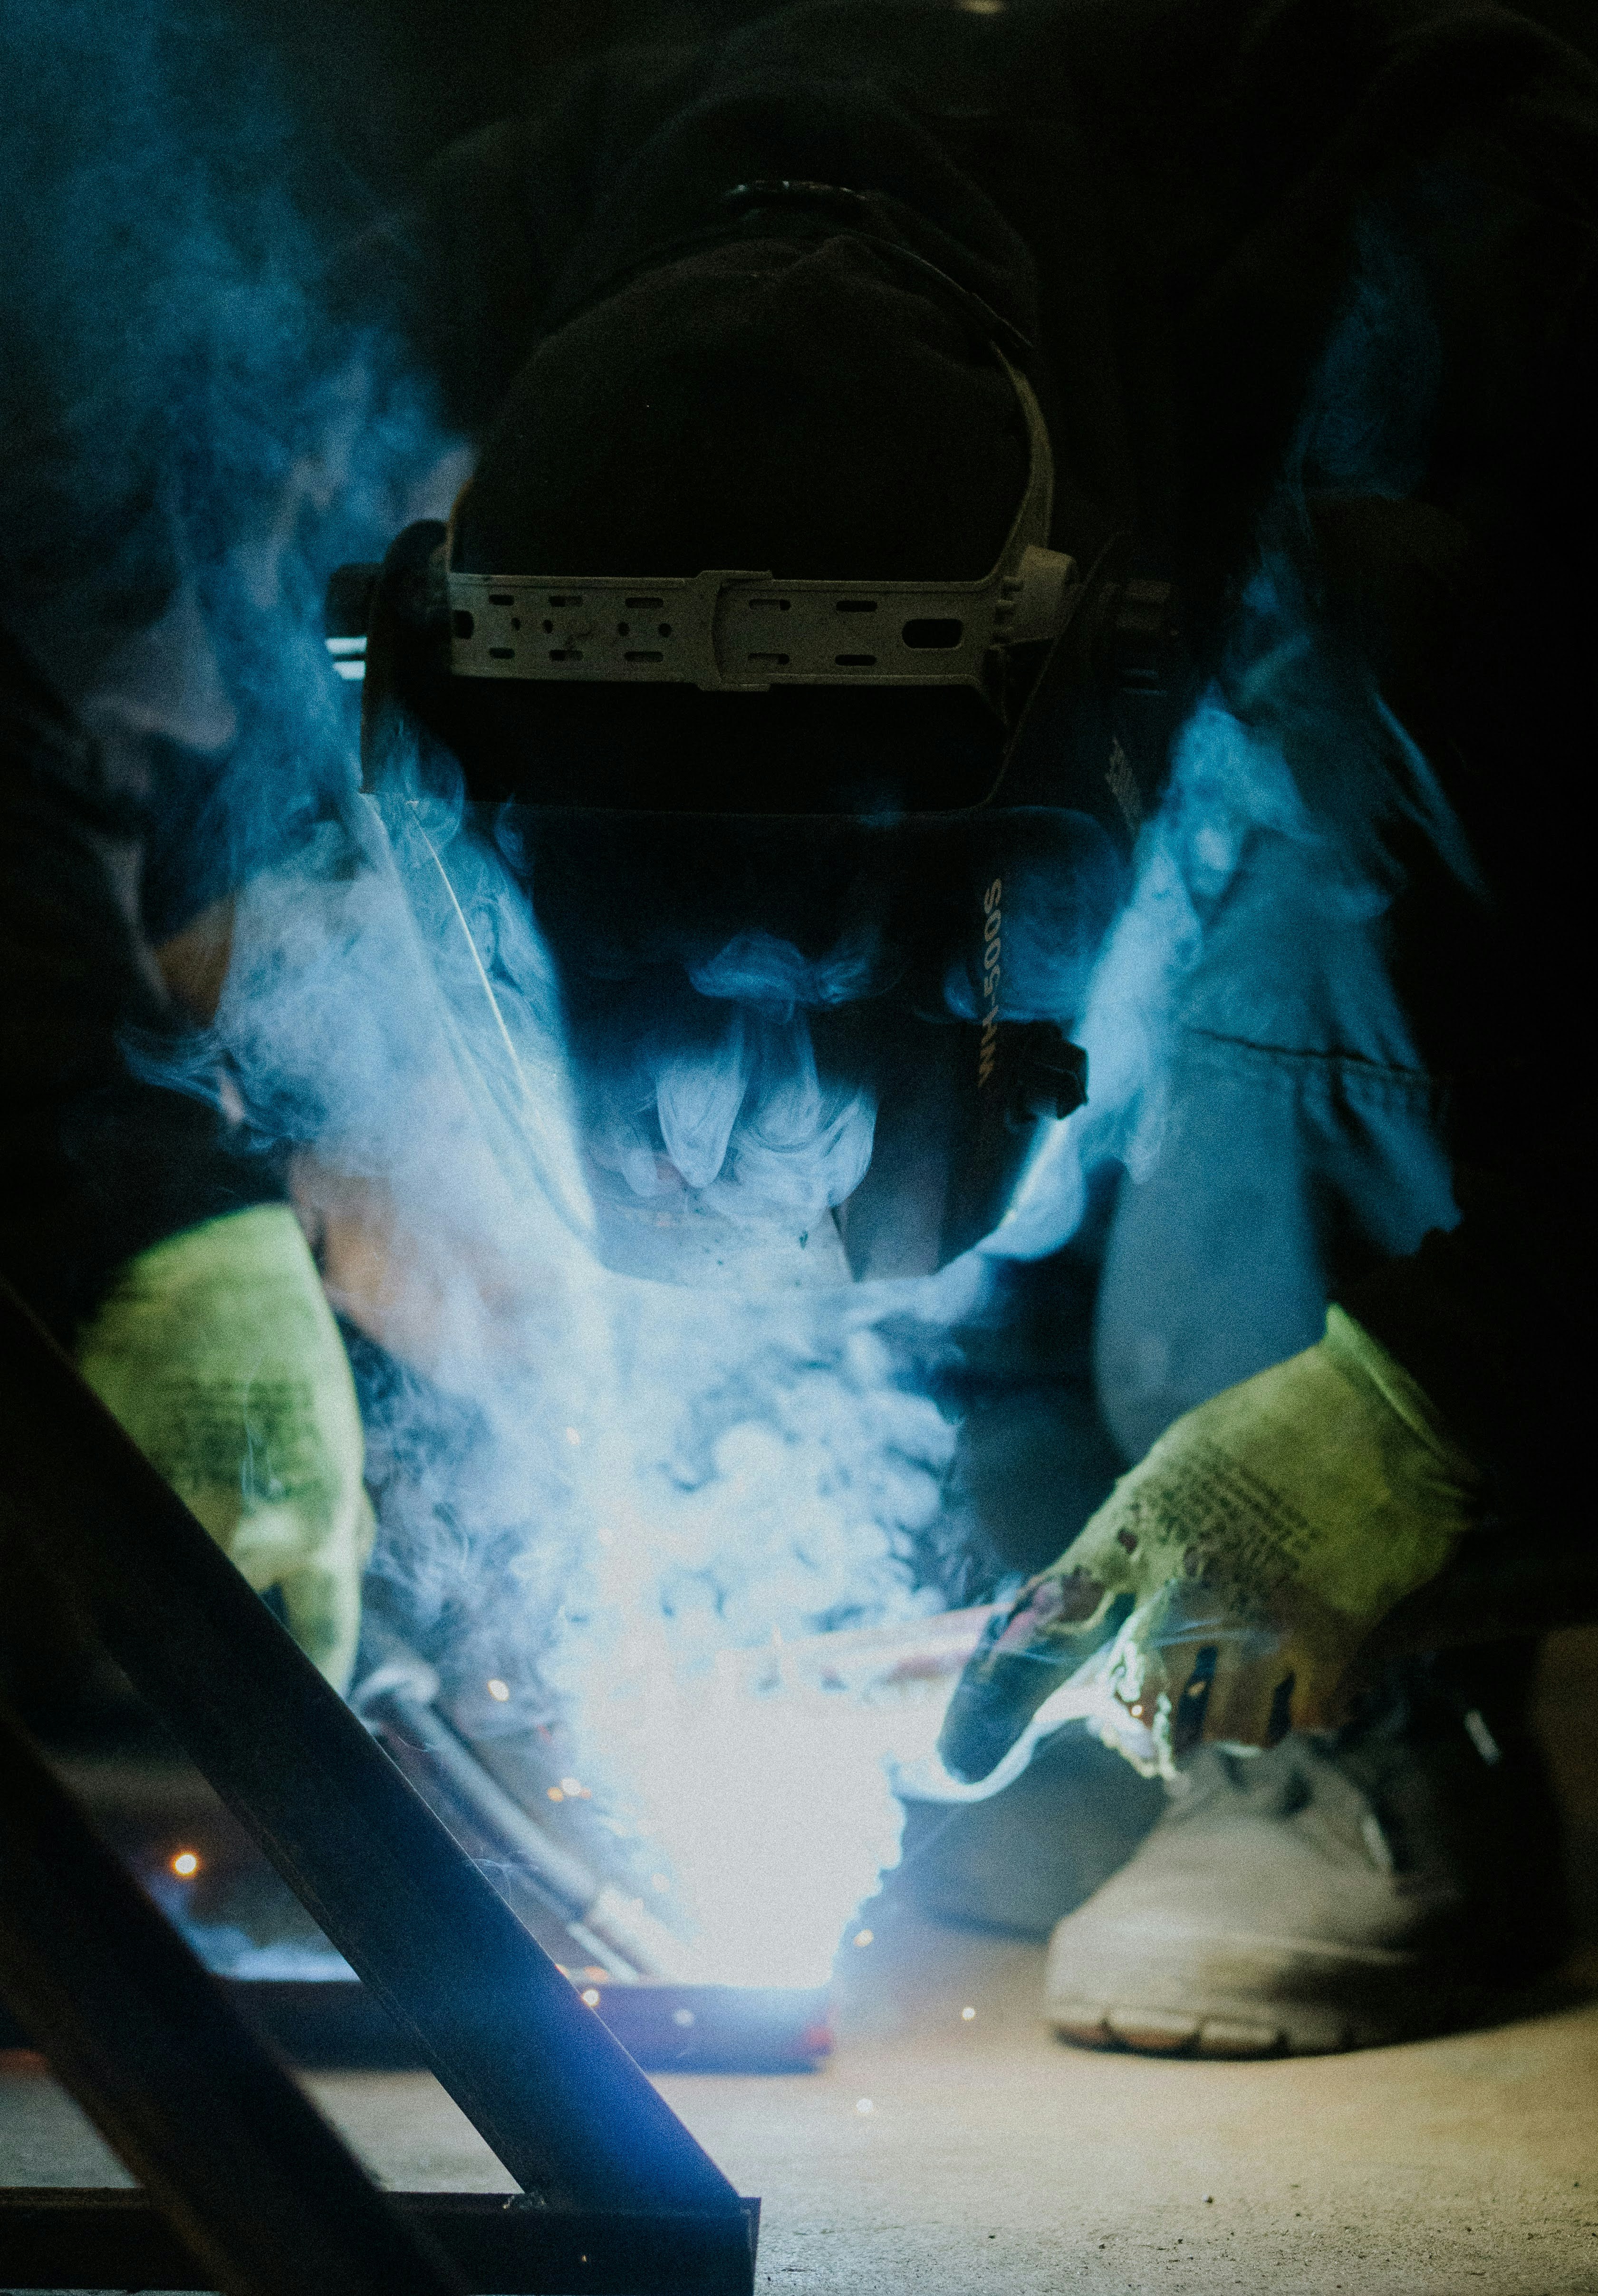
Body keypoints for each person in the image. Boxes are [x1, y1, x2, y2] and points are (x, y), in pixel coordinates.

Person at [353, 0, 1596, 2053]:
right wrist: (181, 1199)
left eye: (829, 970)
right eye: (654, 957)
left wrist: (1434, 1401)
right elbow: (66, 602)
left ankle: (1375, 1731)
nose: (739, 1118)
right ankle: (1080, 1644)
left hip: (1352, 679)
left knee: (1330, 774)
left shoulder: (1478, 300)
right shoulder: (507, 251)